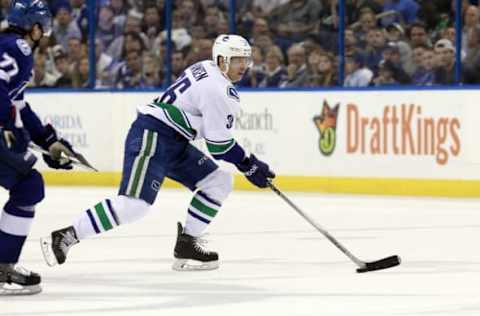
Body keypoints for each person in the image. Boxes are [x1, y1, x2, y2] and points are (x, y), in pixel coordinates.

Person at [41, 34, 276, 272]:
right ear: (222, 60)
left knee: (219, 182)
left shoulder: (205, 66)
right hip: (153, 135)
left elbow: (209, 131)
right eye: (237, 60)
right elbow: (218, 146)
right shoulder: (219, 90)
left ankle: (187, 243)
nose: (244, 66)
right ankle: (68, 235)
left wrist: (247, 162)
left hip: (173, 140)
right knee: (134, 205)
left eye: (246, 60)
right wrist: (250, 164)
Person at [0, 0, 77, 295]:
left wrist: (48, 140)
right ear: (34, 27)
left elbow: (18, 103)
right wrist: (8, 124)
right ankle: (3, 266)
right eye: (42, 29)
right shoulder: (18, 48)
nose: (43, 35)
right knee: (28, 185)